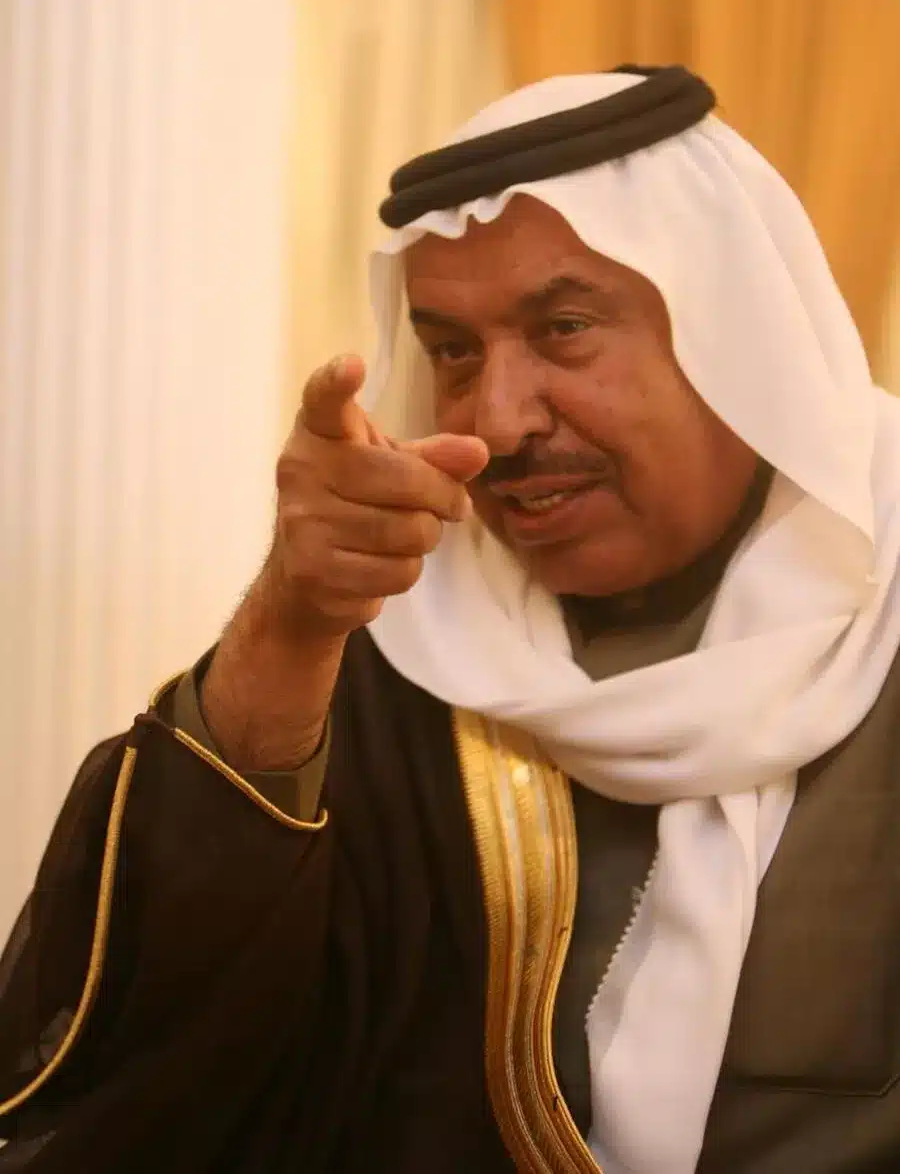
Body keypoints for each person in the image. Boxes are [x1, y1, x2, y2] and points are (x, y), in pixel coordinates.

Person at [2, 67, 900, 1174]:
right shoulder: (411, 645)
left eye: (564, 328)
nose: (499, 420)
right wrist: (289, 625)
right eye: (453, 352)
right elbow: (179, 1041)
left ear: (738, 331)